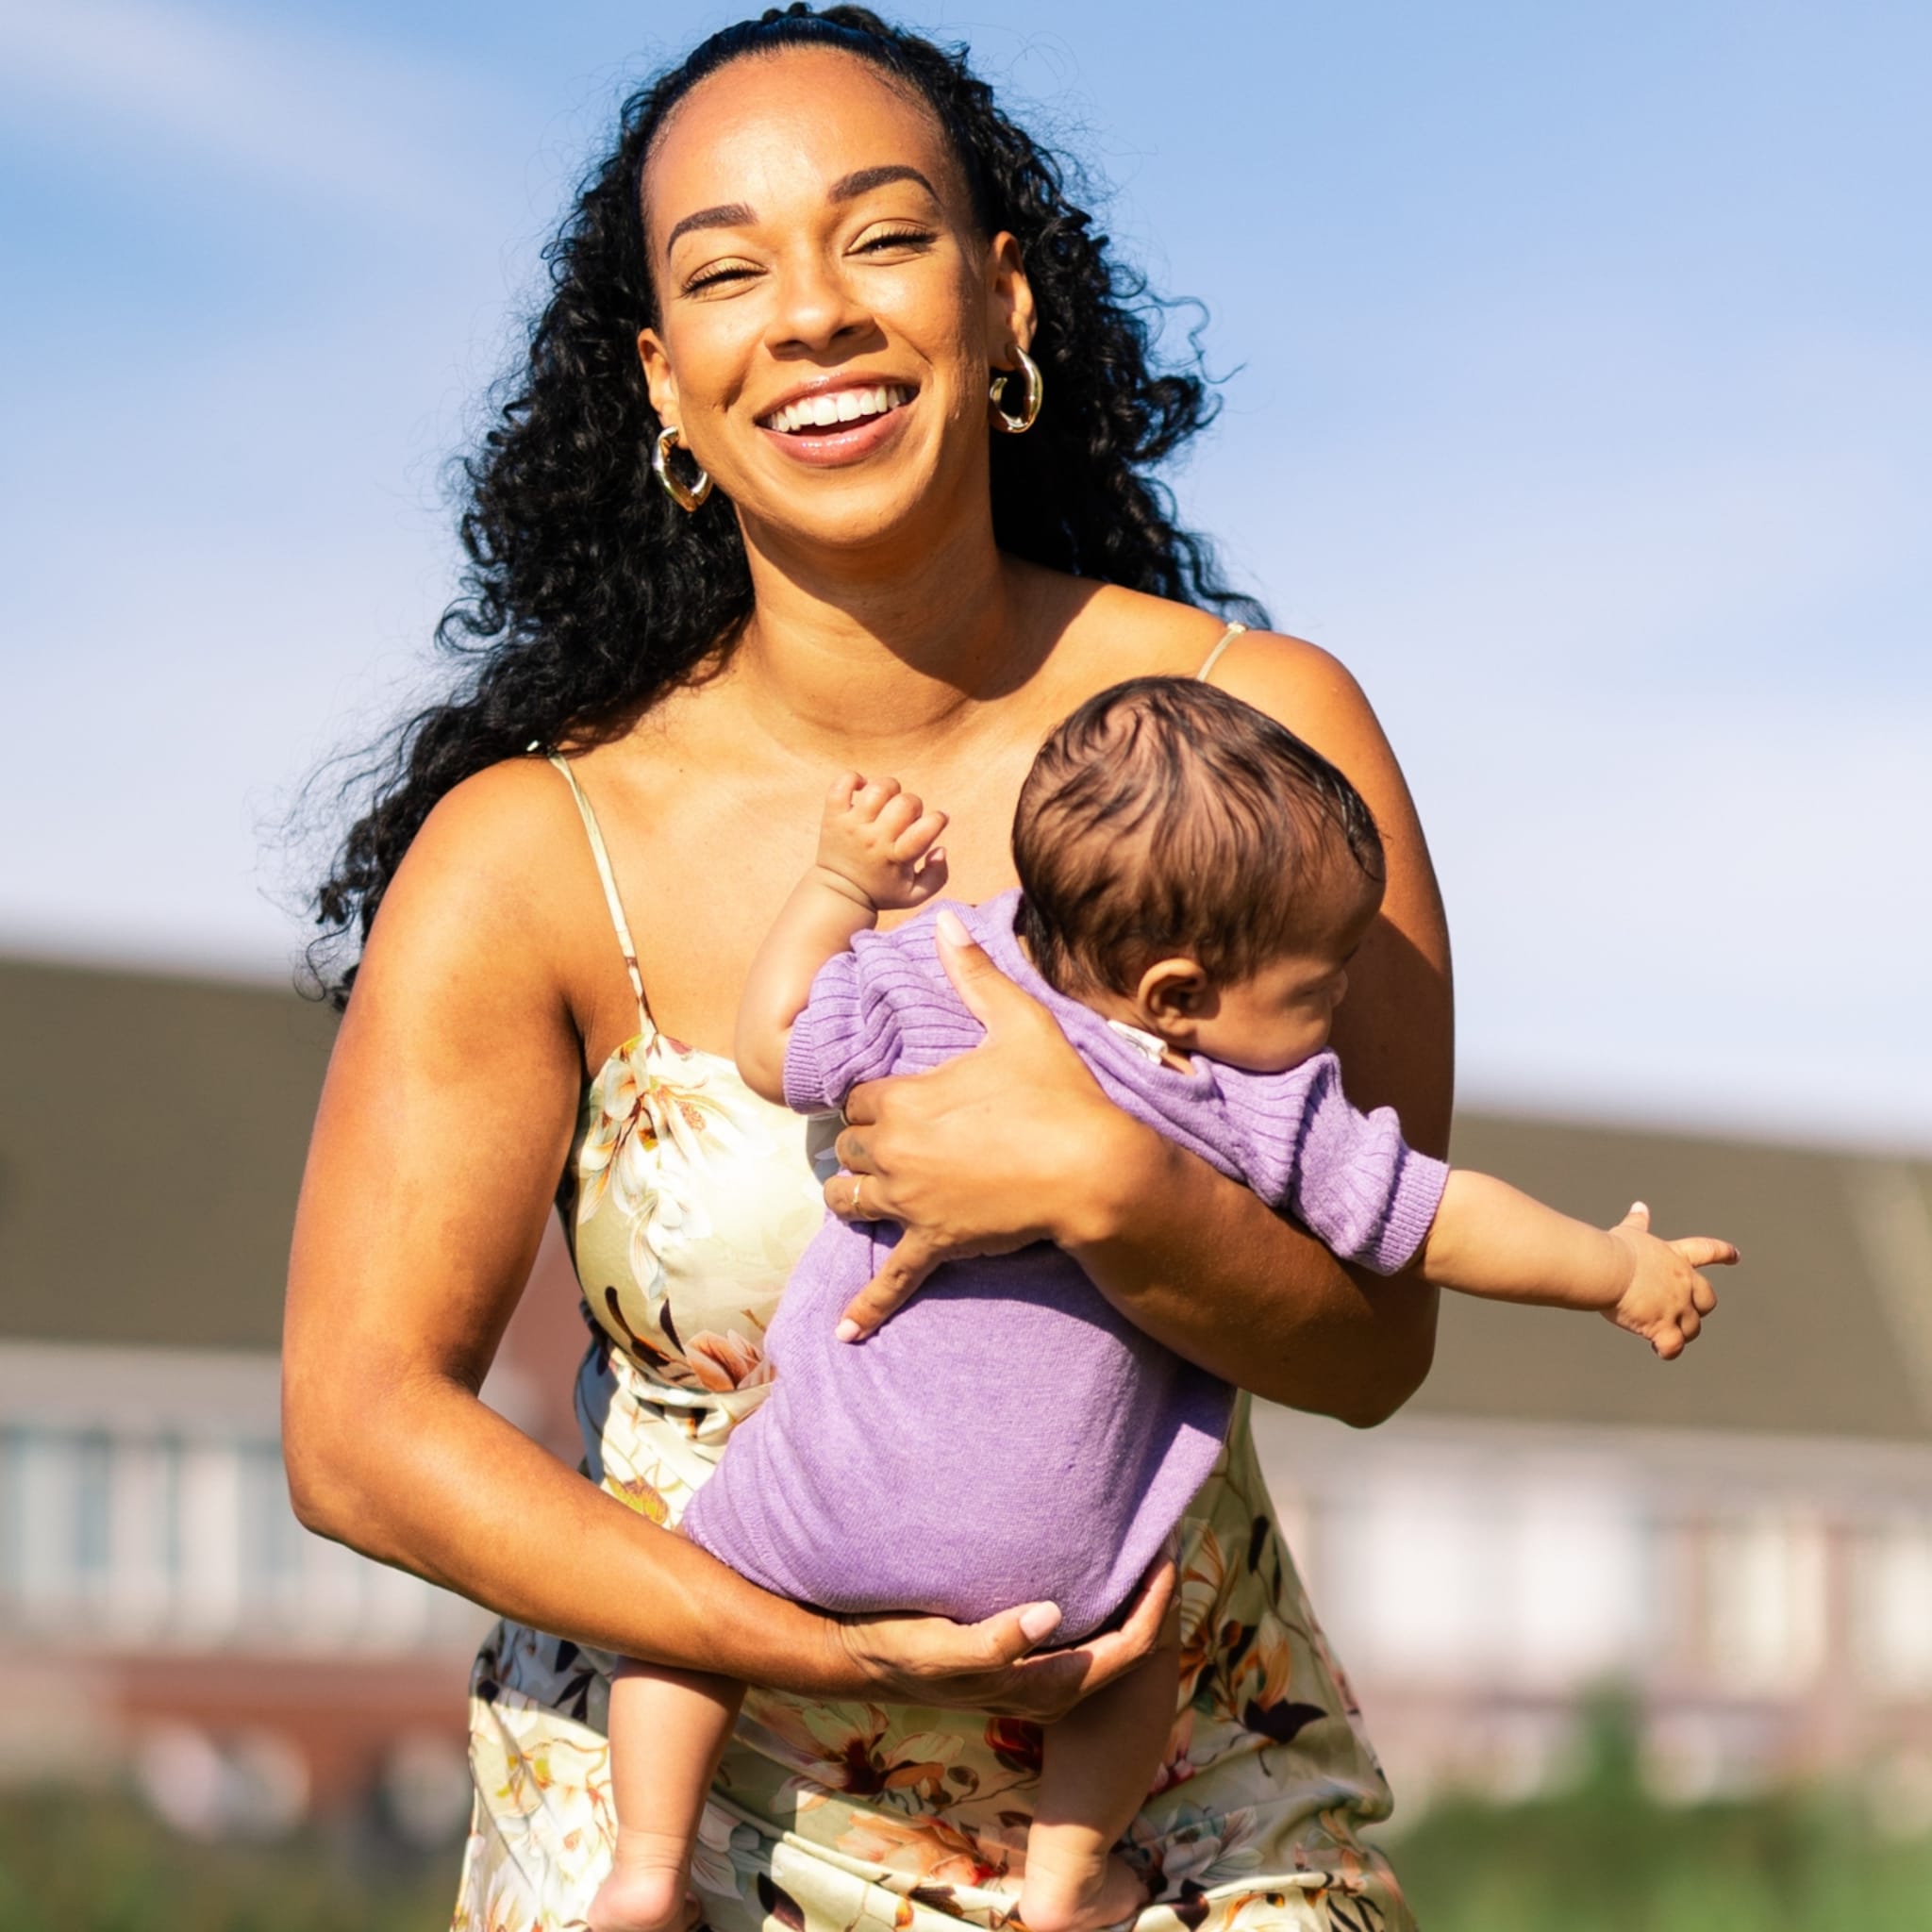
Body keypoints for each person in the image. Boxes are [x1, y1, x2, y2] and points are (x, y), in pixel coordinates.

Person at [282, 8, 1547, 1927]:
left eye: (880, 236)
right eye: (727, 272)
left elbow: (1374, 1341)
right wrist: (788, 1645)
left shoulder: (1260, 742)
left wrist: (1115, 1186)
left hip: (1149, 1821)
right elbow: (360, 1426)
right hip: (669, 1827)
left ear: (1001, 301)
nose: (812, 313)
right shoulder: (534, 851)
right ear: (664, 383)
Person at [591, 678, 1735, 1932]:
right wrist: (1618, 1272)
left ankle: (647, 1868)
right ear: (1178, 996)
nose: (1339, 1011)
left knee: (681, 1605)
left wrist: (836, 887)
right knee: (1143, 1655)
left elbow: (768, 1045)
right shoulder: (1244, 1100)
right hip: (1061, 1580)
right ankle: (1067, 1882)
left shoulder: (933, 969)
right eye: (1322, 983)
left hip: (820, 1504)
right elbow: (1440, 1218)